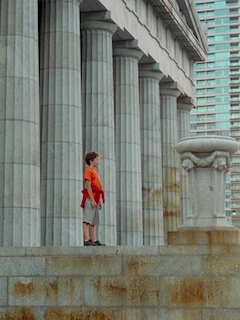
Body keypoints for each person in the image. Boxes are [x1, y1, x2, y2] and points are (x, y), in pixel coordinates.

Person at [81, 151, 106, 246]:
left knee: (93, 221)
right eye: (97, 160)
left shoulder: (95, 172)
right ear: (91, 160)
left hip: (95, 197)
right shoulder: (88, 171)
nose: (98, 162)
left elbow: (98, 187)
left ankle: (94, 239)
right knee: (87, 218)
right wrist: (92, 199)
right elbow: (88, 185)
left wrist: (98, 200)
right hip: (89, 197)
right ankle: (87, 239)